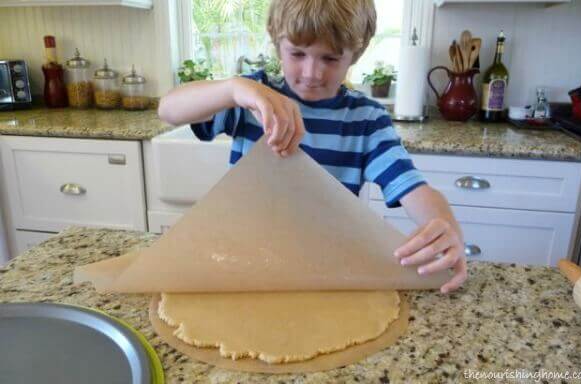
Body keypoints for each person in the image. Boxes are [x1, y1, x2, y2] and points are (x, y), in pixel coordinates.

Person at [158, 0, 467, 294]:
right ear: (277, 43)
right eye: (298, 54)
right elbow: (168, 110)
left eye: (330, 59)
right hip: (244, 266)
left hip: (326, 273)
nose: (312, 73)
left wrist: (444, 227)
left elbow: (414, 189)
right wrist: (232, 88)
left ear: (356, 54)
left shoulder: (366, 121)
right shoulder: (250, 100)